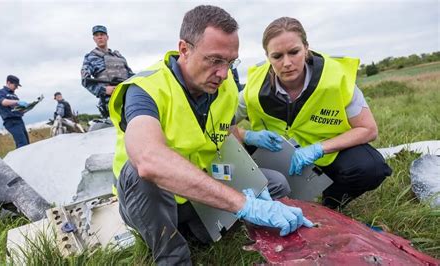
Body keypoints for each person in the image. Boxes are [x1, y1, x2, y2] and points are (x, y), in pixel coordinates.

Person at [108, 6, 313, 265]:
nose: (224, 73)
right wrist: (243, 204)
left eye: (230, 62)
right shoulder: (146, 89)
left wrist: (247, 156)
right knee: (138, 171)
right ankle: (172, 256)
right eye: (215, 60)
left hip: (199, 187)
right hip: (154, 199)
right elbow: (149, 160)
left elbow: (225, 134)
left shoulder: (224, 86)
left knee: (274, 184)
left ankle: (200, 233)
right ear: (184, 49)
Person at [237, 17, 392, 209]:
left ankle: (330, 205)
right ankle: (269, 203)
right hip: (278, 157)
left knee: (371, 167)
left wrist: (318, 148)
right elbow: (219, 125)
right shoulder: (253, 88)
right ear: (268, 56)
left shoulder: (336, 80)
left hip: (328, 155)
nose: (287, 63)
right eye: (277, 56)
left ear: (306, 48)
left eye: (294, 52)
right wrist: (249, 136)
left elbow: (368, 129)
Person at [81, 25, 134, 118]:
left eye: (102, 34)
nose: (99, 37)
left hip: (129, 99)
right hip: (110, 103)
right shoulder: (91, 57)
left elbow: (131, 76)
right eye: (97, 35)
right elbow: (85, 80)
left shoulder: (119, 57)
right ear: (94, 39)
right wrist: (104, 90)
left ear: (107, 37)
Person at [0, 75, 30, 148]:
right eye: (15, 85)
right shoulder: (0, 92)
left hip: (19, 120)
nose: (16, 88)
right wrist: (17, 102)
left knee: (27, 143)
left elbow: (19, 110)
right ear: (8, 82)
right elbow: (3, 102)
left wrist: (28, 108)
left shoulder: (14, 95)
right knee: (23, 144)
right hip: (11, 121)